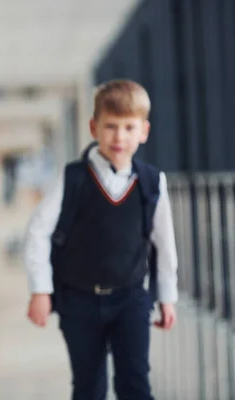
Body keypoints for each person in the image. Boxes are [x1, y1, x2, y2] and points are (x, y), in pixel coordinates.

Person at [24, 79, 178, 400]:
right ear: (94, 127)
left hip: (131, 300)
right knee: (89, 386)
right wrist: (41, 290)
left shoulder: (152, 182)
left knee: (135, 383)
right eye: (110, 126)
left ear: (143, 132)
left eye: (128, 127)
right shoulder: (73, 178)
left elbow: (164, 245)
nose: (119, 136)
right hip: (78, 301)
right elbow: (38, 230)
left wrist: (167, 297)